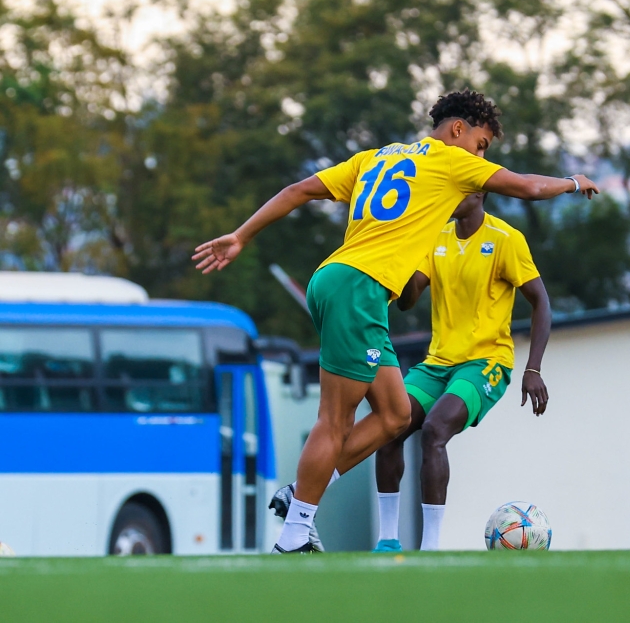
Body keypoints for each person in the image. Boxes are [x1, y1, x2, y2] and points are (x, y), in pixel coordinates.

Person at [193, 89, 598, 553]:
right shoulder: (451, 161)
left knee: (395, 415)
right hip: (359, 290)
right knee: (334, 419)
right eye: (482, 145)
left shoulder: (375, 157)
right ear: (458, 129)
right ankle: (295, 533)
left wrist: (242, 235)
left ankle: (302, 497)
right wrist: (572, 180)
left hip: (336, 281)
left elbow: (297, 191)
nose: (481, 157)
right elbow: (527, 186)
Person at [377, 190, 550, 551]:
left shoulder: (505, 239)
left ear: (480, 191)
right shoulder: (435, 236)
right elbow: (408, 301)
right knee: (388, 425)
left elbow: (541, 302)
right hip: (438, 363)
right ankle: (387, 540)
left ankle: (431, 547)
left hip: (486, 362)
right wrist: (403, 253)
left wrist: (533, 368)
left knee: (435, 429)